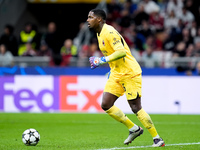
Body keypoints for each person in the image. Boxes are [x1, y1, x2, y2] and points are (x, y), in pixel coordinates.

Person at [87, 9, 165, 147]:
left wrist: (101, 60)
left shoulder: (109, 32)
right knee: (106, 104)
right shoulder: (99, 34)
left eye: (90, 17)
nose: (88, 20)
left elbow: (121, 52)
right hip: (116, 73)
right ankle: (134, 129)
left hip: (130, 72)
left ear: (99, 19)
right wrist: (111, 67)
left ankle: (157, 138)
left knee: (135, 107)